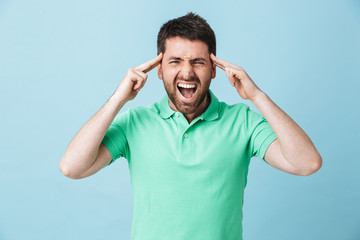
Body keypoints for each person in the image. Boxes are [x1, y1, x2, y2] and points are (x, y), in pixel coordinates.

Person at [60, 12, 322, 240]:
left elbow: (307, 163)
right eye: (175, 61)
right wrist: (118, 99)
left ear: (214, 69)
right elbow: (72, 167)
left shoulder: (242, 122)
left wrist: (257, 96)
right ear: (159, 69)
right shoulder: (134, 122)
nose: (187, 73)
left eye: (198, 62)